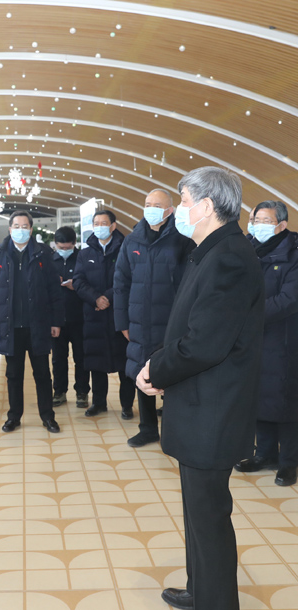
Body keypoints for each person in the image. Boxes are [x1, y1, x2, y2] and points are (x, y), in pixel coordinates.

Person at [137, 167, 265, 610]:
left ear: (207, 205)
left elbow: (203, 344)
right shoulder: (210, 251)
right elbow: (190, 326)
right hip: (200, 404)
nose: (178, 210)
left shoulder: (228, 257)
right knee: (197, 513)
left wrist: (155, 370)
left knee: (209, 518)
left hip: (213, 410)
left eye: (185, 201)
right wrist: (160, 361)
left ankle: (216, 602)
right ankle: (201, 591)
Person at [114, 189, 194, 446]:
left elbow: (190, 283)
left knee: (173, 372)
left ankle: (175, 429)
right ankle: (147, 428)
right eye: (148, 204)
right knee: (142, 371)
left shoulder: (182, 239)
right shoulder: (132, 241)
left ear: (170, 210)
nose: (151, 209)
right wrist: (122, 322)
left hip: (172, 322)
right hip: (139, 321)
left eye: (157, 205)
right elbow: (120, 283)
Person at [0, 210, 64, 433]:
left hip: (38, 324)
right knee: (13, 375)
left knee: (43, 374)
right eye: (16, 226)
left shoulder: (43, 254)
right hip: (10, 326)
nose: (20, 230)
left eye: (24, 226)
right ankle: (14, 417)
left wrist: (56, 322)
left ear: (31, 229)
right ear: (9, 229)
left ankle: (48, 417)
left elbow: (54, 290)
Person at [235, 200, 298, 487]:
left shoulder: (293, 253)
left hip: (284, 339)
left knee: (285, 401)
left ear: (282, 225)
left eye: (265, 221)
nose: (258, 226)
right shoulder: (247, 249)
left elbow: (289, 299)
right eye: (255, 220)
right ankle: (264, 454)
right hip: (252, 338)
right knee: (258, 396)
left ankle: (288, 462)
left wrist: (249, 313)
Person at [73, 210, 136, 418]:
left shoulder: (125, 249)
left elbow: (128, 278)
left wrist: (106, 298)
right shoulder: (85, 253)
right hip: (94, 315)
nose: (99, 227)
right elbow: (78, 281)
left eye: (104, 223)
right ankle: (99, 403)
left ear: (113, 226)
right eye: (96, 223)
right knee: (96, 362)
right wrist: (95, 299)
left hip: (119, 314)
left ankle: (127, 405)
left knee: (124, 362)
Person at [50, 226, 89, 408]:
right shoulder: (49, 260)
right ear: (55, 245)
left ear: (74, 244)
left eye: (68, 247)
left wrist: (77, 285)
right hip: (57, 319)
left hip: (80, 317)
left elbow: (90, 283)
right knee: (58, 358)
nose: (64, 250)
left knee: (81, 357)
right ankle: (59, 391)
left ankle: (82, 392)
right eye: (61, 247)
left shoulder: (82, 258)